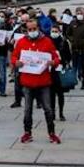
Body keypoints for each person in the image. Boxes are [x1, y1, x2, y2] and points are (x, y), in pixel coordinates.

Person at [12, 16, 61, 144]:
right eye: (30, 29)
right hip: (27, 82)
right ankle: (27, 132)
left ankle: (52, 133)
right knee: (27, 109)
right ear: (26, 30)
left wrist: (53, 62)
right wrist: (16, 62)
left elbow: (56, 58)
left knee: (48, 109)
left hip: (43, 82)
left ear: (38, 28)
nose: (32, 31)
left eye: (34, 28)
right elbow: (14, 56)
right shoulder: (22, 42)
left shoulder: (47, 41)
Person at [47, 23, 73, 120]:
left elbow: (69, 56)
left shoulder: (64, 42)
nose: (54, 33)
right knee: (51, 93)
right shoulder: (47, 41)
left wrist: (62, 60)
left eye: (56, 32)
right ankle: (52, 112)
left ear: (59, 32)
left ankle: (61, 113)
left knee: (60, 93)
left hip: (60, 70)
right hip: (51, 70)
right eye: (52, 31)